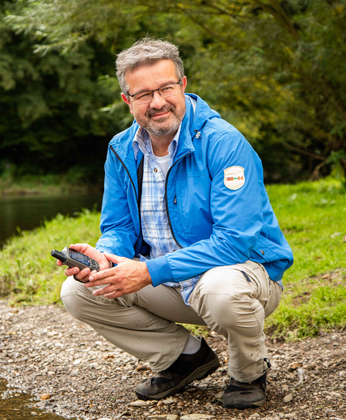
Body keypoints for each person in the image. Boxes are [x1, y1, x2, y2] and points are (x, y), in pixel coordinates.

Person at [57, 38, 293, 410]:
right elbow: (118, 227)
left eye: (166, 88)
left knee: (221, 288)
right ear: (127, 100)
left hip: (238, 278)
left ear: (183, 85)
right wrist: (103, 257)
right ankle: (184, 358)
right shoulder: (121, 149)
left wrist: (149, 271)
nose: (157, 102)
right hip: (167, 282)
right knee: (79, 292)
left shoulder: (225, 143)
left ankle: (249, 371)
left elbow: (234, 243)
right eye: (144, 94)